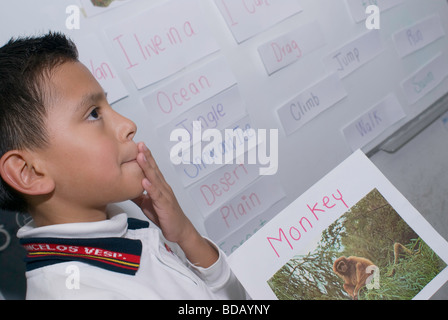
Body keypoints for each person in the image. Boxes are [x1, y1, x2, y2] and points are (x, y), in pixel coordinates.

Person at [0, 32, 246, 300]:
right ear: (29, 172)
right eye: (93, 114)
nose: (128, 124)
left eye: (108, 106)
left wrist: (186, 234)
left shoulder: (121, 229)